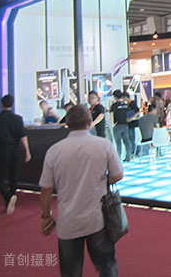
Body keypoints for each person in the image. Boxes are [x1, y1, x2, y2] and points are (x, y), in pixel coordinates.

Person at [39, 104, 123, 277]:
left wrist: (46, 215)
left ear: (67, 123)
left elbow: (46, 188)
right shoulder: (104, 145)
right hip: (98, 218)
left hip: (68, 222)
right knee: (107, 265)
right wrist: (100, 181)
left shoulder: (54, 151)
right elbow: (117, 175)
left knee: (71, 271)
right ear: (89, 122)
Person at [0, 94, 31, 215]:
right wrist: (27, 151)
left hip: (1, 150)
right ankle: (12, 196)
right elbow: (23, 135)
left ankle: (8, 197)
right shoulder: (18, 118)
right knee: (14, 175)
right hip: (15, 150)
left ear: (1, 104)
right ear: (12, 104)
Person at [110, 90, 133, 162]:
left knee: (118, 143)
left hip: (117, 125)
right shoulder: (125, 104)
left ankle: (118, 158)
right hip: (125, 125)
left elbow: (111, 115)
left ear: (115, 97)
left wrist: (112, 124)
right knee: (127, 141)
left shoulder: (114, 105)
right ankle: (128, 156)